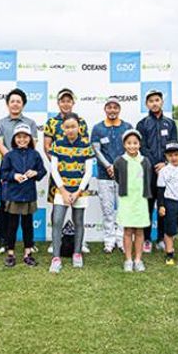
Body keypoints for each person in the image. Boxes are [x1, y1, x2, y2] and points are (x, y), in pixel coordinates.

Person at [43, 88, 90, 255]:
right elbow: (47, 146)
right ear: (58, 103)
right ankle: (54, 242)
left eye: (69, 101)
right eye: (63, 100)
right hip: (58, 173)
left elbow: (84, 145)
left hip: (77, 176)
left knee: (79, 215)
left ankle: (80, 243)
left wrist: (73, 163)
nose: (66, 103)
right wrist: (60, 165)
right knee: (57, 210)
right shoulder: (51, 122)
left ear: (73, 102)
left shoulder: (81, 121)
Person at [0, 88, 39, 256]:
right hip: (8, 169)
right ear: (7, 104)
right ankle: (3, 241)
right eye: (12, 101)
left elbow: (32, 142)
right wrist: (12, 160)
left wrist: (22, 166)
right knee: (5, 204)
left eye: (18, 101)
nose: (15, 104)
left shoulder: (31, 123)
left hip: (26, 170)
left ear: (23, 104)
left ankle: (30, 243)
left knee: (27, 208)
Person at [48, 113, 95, 273]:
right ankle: (56, 257)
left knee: (79, 222)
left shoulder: (86, 145)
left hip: (79, 192)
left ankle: (77, 253)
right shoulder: (57, 144)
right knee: (57, 221)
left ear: (79, 127)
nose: (70, 130)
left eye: (73, 126)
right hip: (62, 191)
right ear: (63, 128)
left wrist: (78, 192)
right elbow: (54, 169)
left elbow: (88, 172)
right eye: (67, 127)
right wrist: (63, 190)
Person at [135, 89, 178, 253]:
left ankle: (161, 238)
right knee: (147, 205)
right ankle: (146, 239)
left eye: (157, 100)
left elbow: (174, 145)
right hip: (149, 172)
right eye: (151, 101)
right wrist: (156, 164)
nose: (154, 103)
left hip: (167, 171)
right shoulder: (142, 124)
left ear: (162, 102)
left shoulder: (170, 123)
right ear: (147, 104)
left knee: (164, 205)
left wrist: (165, 163)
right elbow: (142, 147)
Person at [0, 123, 46, 267]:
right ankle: (10, 253)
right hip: (13, 195)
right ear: (14, 139)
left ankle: (28, 253)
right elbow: (3, 174)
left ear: (30, 138)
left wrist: (36, 173)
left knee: (27, 225)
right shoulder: (9, 155)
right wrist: (14, 175)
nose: (22, 140)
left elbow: (42, 171)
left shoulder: (35, 154)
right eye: (19, 137)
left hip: (29, 195)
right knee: (12, 225)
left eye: (25, 137)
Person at [90, 96, 132, 253]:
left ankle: (121, 240)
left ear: (119, 109)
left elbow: (131, 148)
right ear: (105, 109)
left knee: (122, 208)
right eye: (109, 107)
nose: (112, 110)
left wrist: (118, 166)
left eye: (115, 107)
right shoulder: (97, 128)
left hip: (123, 174)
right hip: (103, 174)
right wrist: (108, 166)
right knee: (107, 209)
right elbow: (96, 150)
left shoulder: (127, 126)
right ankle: (109, 240)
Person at [114, 129, 152, 272]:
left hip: (141, 200)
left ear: (139, 144)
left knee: (140, 231)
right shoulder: (120, 161)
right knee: (128, 230)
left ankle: (138, 259)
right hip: (126, 200)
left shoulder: (145, 161)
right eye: (129, 143)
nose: (132, 146)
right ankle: (128, 259)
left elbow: (149, 178)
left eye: (135, 143)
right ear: (124, 144)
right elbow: (117, 177)